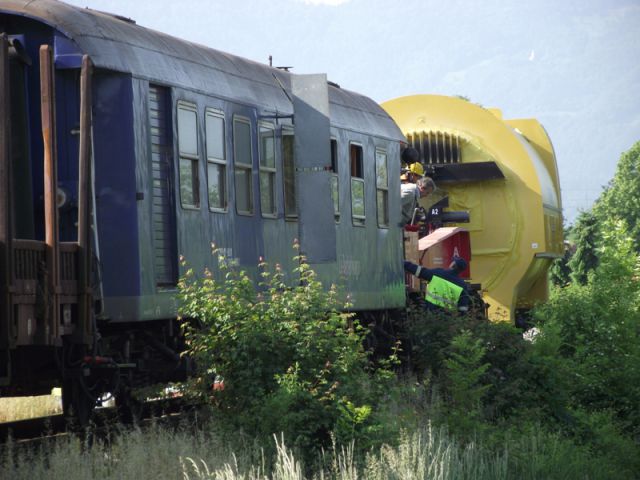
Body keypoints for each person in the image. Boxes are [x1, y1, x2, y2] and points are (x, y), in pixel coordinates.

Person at [404, 256, 470, 312]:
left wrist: (405, 264)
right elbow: (463, 307)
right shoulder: (462, 285)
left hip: (432, 315)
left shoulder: (439, 273)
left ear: (453, 265)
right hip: (449, 319)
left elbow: (420, 271)